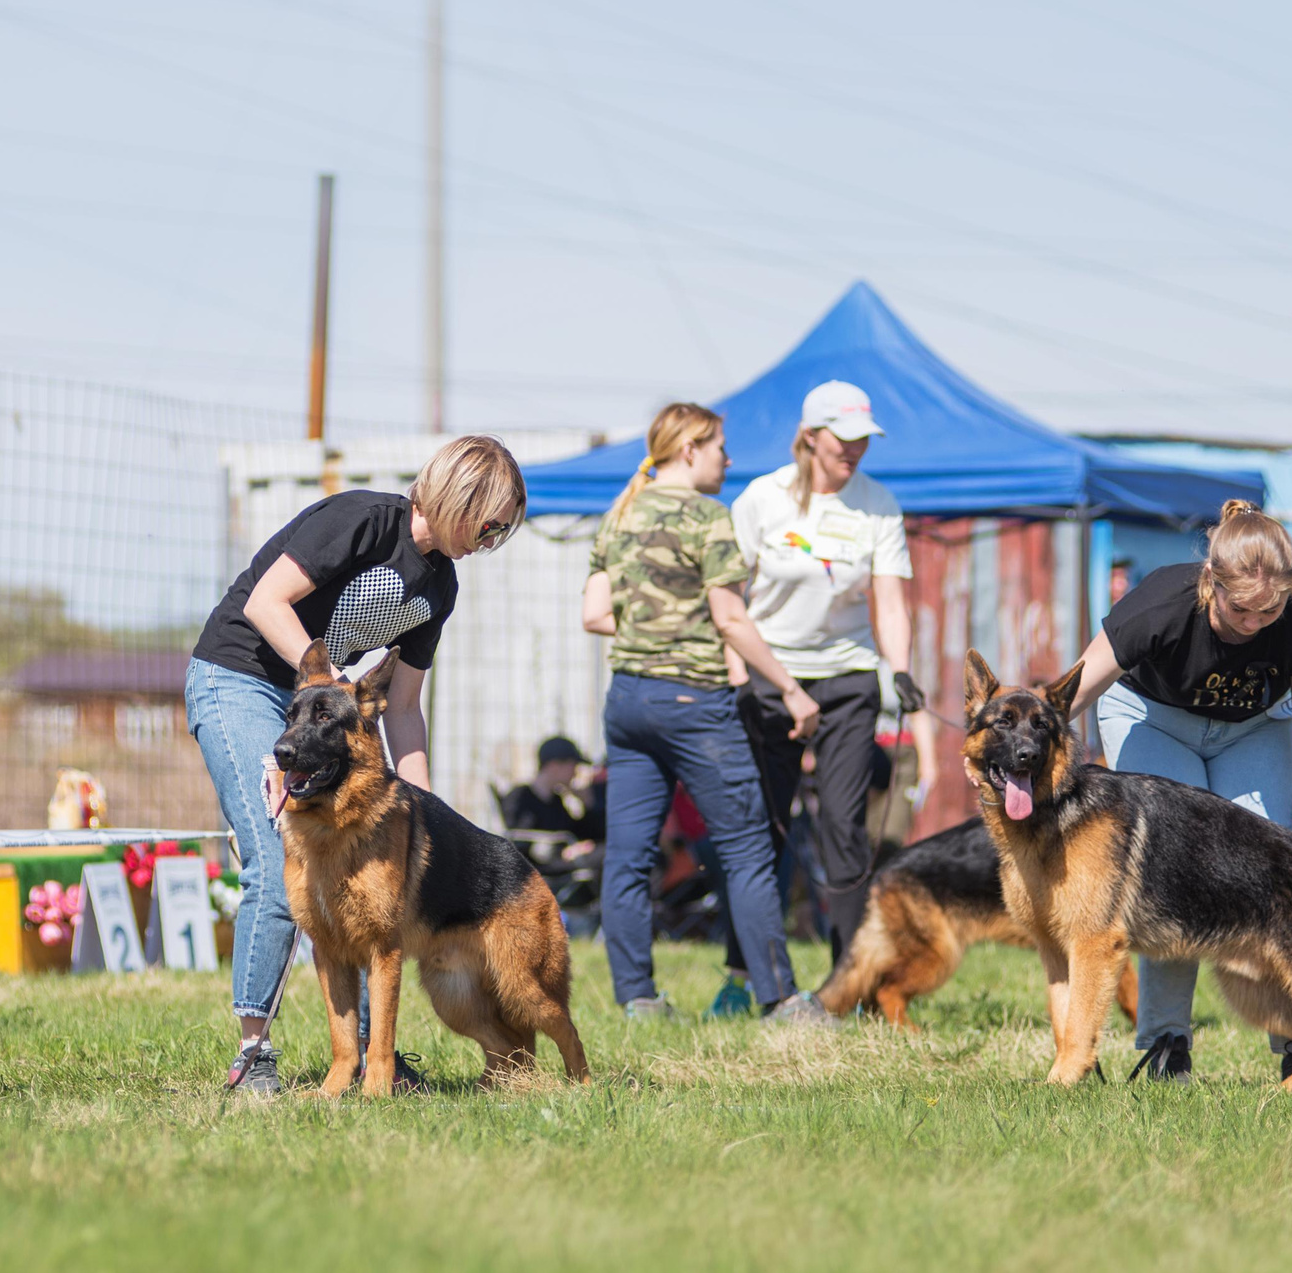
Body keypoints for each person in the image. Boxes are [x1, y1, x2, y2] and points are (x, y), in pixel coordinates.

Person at [187, 435, 528, 1098]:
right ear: (461, 495)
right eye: (490, 522)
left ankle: (378, 1060)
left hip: (326, 711)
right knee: (275, 852)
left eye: (502, 531)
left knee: (377, 886)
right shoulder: (365, 522)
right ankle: (252, 1053)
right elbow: (265, 603)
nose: (491, 539)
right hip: (241, 680)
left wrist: (425, 816)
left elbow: (402, 707)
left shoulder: (440, 585)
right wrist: (333, 686)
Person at [1061, 499, 1292, 1079]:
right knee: (1173, 875)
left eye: (1270, 612)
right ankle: (1166, 1045)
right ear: (1209, 581)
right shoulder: (1160, 604)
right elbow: (1076, 691)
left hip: (1254, 729)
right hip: (1153, 719)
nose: (1254, 624)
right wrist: (1030, 757)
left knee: (1265, 875)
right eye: (1241, 609)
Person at [583, 402, 829, 1028]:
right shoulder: (708, 518)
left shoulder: (621, 513)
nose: (729, 458)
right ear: (690, 448)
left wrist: (655, 627)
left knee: (629, 856)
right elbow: (730, 619)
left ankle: (638, 999)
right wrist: (792, 691)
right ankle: (780, 1000)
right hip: (695, 702)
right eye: (721, 446)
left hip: (629, 701)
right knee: (748, 850)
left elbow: (594, 615)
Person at [728, 379, 938, 1005]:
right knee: (764, 828)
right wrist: (743, 678)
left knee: (845, 830)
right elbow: (728, 600)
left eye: (862, 441)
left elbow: (893, 603)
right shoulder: (762, 499)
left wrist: (898, 668)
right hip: (770, 677)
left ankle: (856, 984)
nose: (854, 451)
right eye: (842, 439)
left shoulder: (879, 505)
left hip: (849, 679)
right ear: (810, 437)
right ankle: (745, 976)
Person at [500, 736, 599, 857]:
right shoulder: (520, 796)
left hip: (559, 861)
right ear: (554, 765)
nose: (575, 772)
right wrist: (562, 851)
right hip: (541, 865)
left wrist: (587, 803)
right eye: (573, 766)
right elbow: (520, 838)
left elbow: (579, 832)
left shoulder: (555, 799)